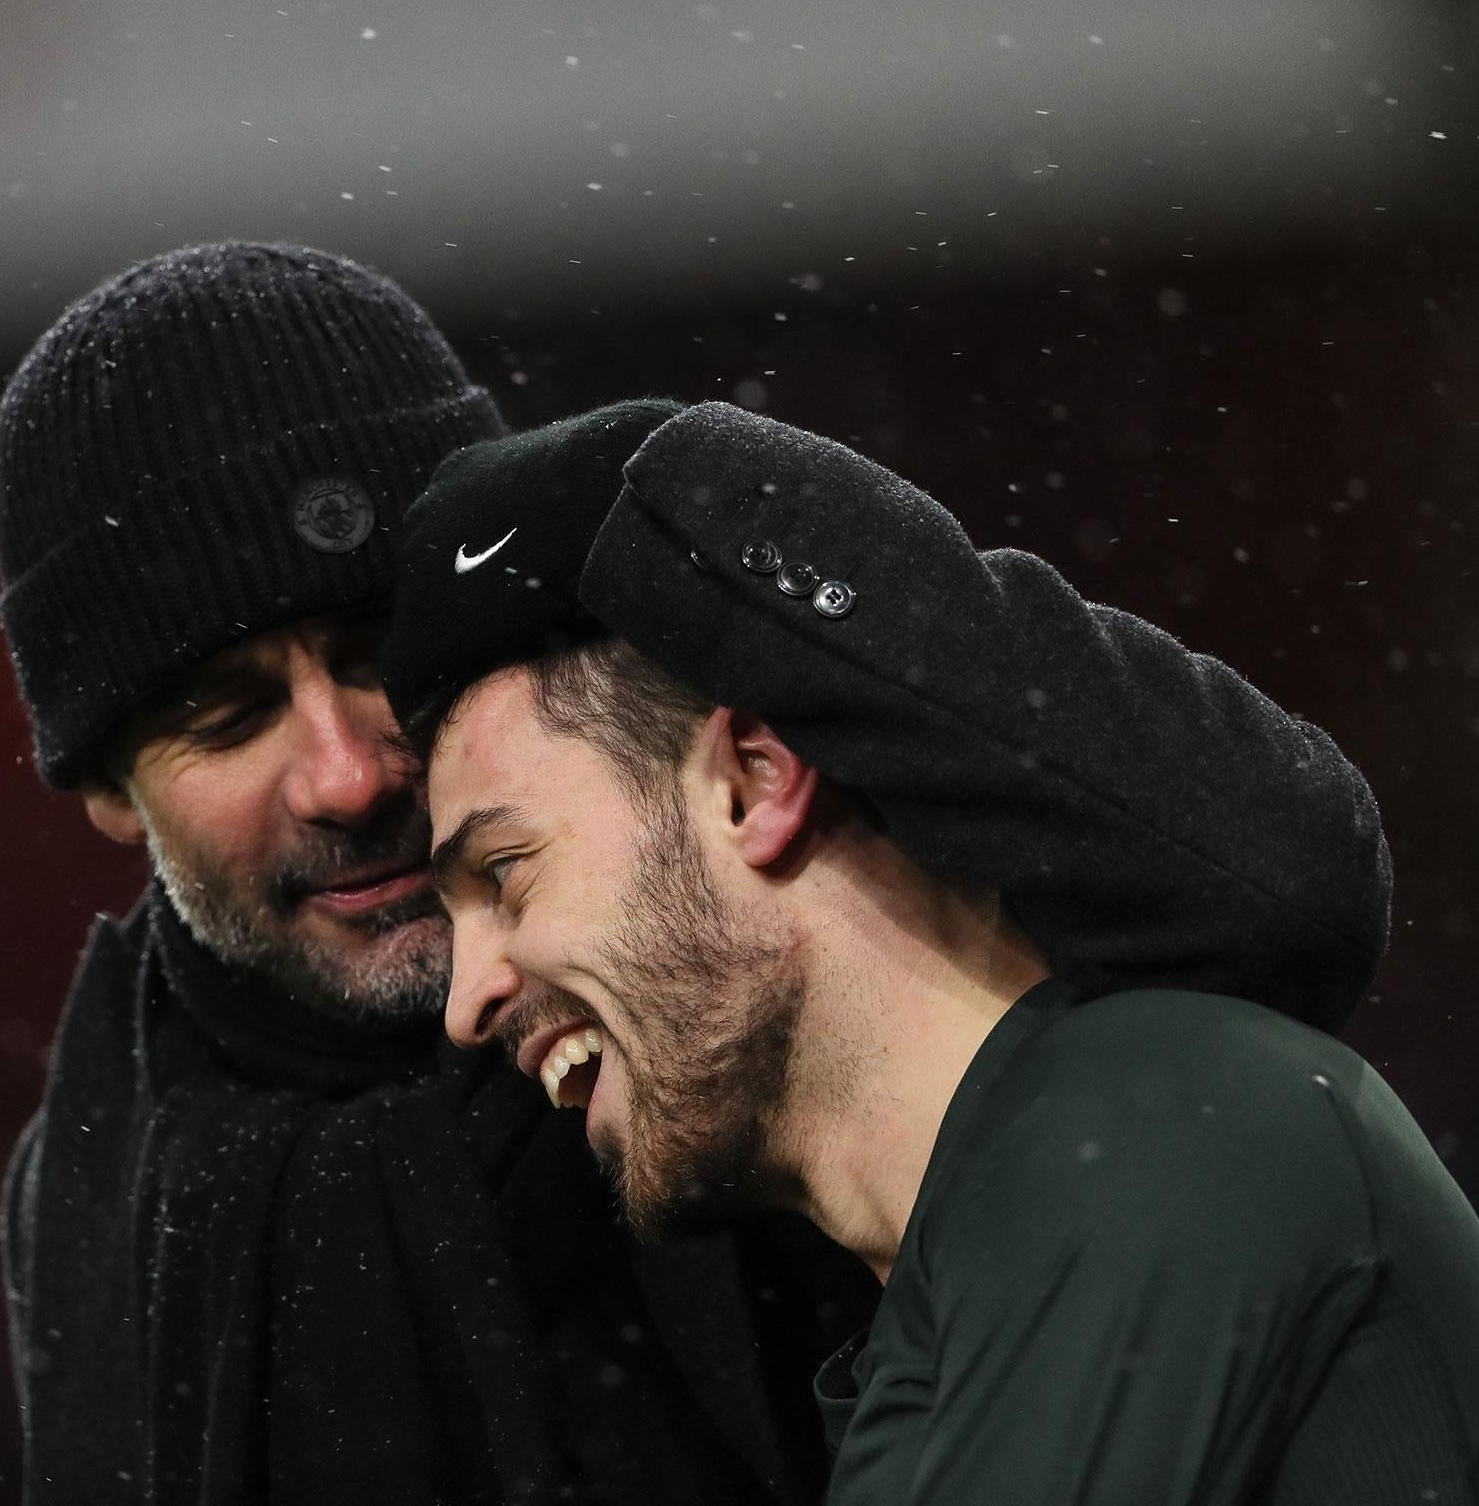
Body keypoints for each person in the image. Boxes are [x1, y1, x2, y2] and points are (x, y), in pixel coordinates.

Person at [0, 246, 1391, 1506]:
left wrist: (654, 493)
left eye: (376, 655)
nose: (350, 776)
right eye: (227, 719)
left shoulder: (758, 899)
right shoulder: (109, 1198)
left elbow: (1286, 880)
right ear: (107, 790)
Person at [385, 399, 1474, 1504]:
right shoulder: (927, 1325)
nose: (465, 1000)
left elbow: (1292, 868)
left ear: (752, 783)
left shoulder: (1164, 1111)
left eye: (505, 872)